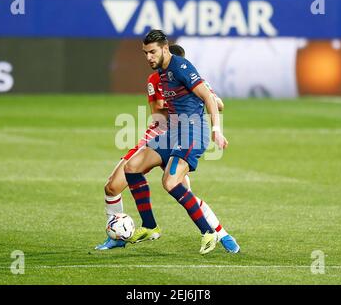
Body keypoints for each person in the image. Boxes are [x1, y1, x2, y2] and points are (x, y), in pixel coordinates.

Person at [95, 44, 239, 253]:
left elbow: (218, 104)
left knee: (182, 191)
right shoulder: (156, 79)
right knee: (112, 186)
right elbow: (157, 113)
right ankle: (122, 235)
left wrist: (207, 100)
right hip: (158, 136)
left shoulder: (189, 76)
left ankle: (221, 233)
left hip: (181, 137)